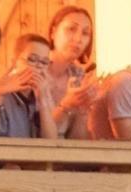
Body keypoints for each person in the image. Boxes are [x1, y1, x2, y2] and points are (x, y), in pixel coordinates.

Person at [0, 33, 58, 140]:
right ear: (14, 61)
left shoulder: (42, 96)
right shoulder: (0, 91)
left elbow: (51, 141)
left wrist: (42, 100)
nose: (38, 66)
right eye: (32, 59)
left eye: (44, 62)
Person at [46, 5, 97, 139]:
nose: (78, 39)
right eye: (71, 29)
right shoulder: (33, 69)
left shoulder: (79, 77)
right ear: (53, 32)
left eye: (85, 33)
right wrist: (66, 105)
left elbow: (78, 142)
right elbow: (35, 135)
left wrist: (83, 111)